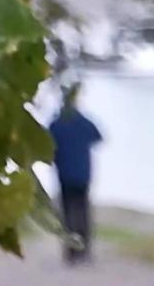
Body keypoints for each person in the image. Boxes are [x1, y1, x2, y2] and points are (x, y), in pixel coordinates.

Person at [48, 83, 104, 264]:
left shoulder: (56, 124)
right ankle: (84, 251)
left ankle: (71, 252)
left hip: (64, 174)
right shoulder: (84, 121)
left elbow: (47, 148)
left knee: (68, 213)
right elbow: (99, 138)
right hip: (83, 174)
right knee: (83, 213)